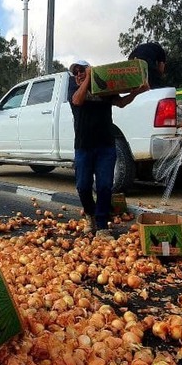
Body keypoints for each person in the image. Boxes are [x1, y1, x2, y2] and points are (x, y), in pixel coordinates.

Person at [68, 59, 148, 239]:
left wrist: (137, 92)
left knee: (104, 186)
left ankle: (102, 226)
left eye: (82, 70)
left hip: (105, 145)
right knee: (83, 186)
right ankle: (90, 215)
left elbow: (120, 102)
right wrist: (88, 78)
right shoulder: (74, 90)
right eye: (76, 72)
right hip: (83, 147)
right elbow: (78, 101)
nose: (79, 74)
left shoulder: (104, 90)